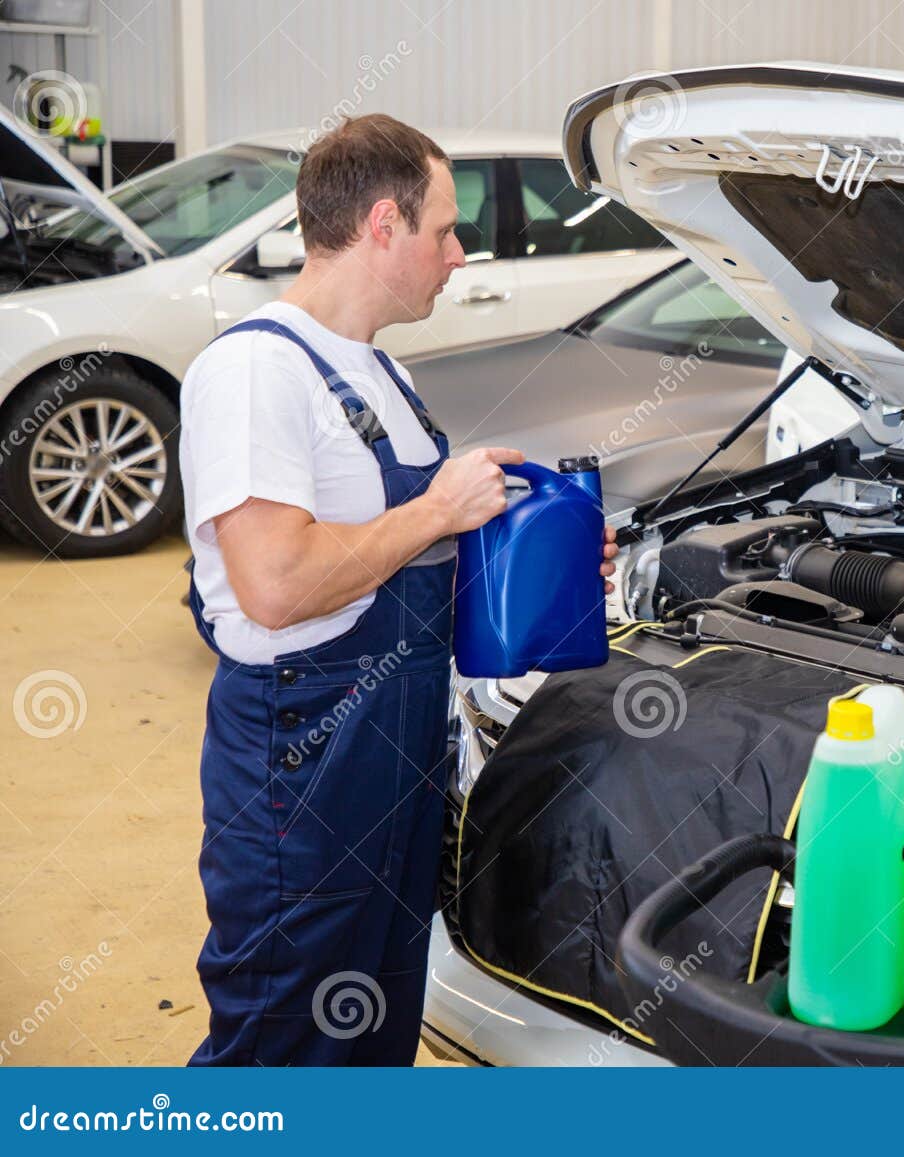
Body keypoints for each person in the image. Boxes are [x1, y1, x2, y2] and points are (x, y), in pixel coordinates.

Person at [178, 113, 617, 1065]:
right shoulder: (257, 371)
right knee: (280, 1038)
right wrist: (437, 509)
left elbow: (411, 560)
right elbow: (276, 585)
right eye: (444, 230)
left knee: (373, 1034)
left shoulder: (382, 373)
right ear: (383, 225)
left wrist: (548, 558)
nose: (458, 255)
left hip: (400, 755)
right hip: (302, 761)